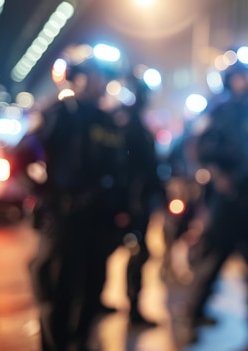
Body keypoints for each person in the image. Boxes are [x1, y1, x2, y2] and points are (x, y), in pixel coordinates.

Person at [186, 59, 248, 349]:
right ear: (229, 80)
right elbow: (198, 149)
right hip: (228, 202)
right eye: (239, 77)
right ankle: (191, 318)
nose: (244, 81)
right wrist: (219, 176)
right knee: (213, 260)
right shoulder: (218, 111)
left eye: (247, 77)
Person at [32, 52, 129, 351]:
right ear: (77, 77)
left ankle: (81, 341)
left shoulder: (107, 120)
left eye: (102, 77)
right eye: (91, 75)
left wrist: (123, 208)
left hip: (99, 218)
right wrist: (48, 196)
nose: (98, 83)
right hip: (66, 217)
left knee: (93, 288)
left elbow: (119, 167)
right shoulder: (58, 113)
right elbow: (28, 154)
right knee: (60, 290)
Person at [114, 73, 165, 326]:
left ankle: (133, 306)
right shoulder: (127, 126)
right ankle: (132, 308)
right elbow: (128, 168)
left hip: (140, 200)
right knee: (136, 253)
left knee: (140, 253)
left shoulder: (138, 127)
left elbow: (150, 168)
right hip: (130, 202)